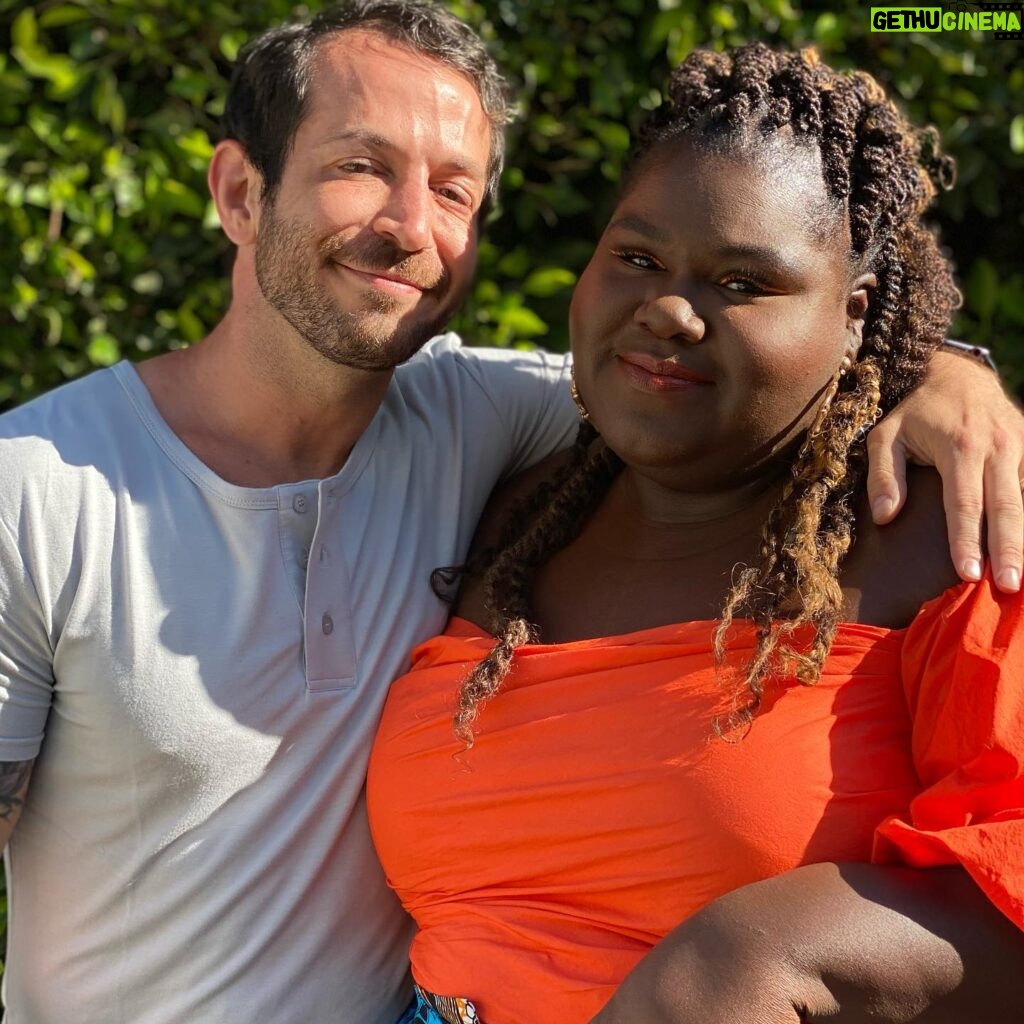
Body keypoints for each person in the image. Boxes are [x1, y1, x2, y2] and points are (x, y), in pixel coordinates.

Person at [0, 3, 1019, 1022]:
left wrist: (941, 371)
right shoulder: (43, 486)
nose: (409, 224)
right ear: (237, 191)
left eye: (454, 189)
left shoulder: (939, 531)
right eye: (359, 165)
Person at [367, 43, 1024, 1024]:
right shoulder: (513, 511)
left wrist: (757, 955)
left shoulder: (942, 532)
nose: (669, 308)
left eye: (742, 282)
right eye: (636, 259)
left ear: (854, 318)